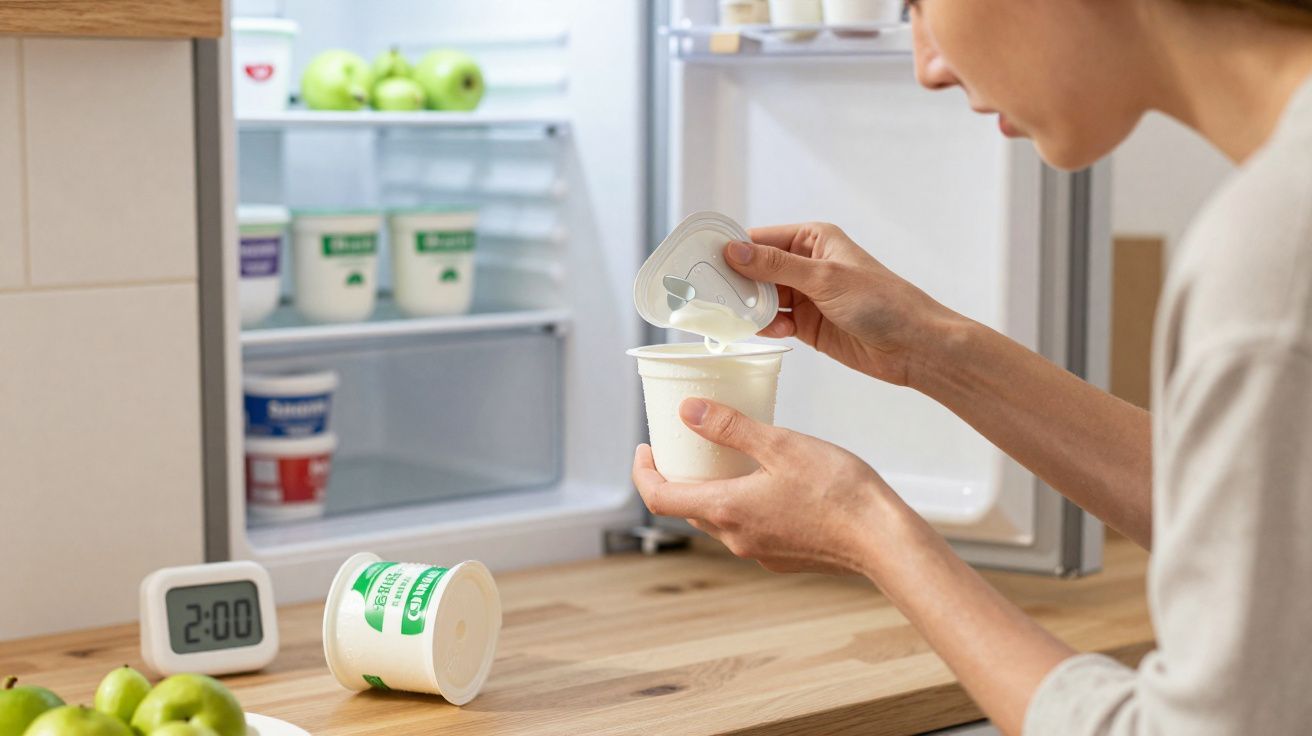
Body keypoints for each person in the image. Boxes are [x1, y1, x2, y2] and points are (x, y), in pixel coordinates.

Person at [631, 1, 1312, 734]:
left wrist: (868, 529)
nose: (927, 66)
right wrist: (926, 348)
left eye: (921, 3)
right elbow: (1263, 526)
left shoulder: (1275, 257)